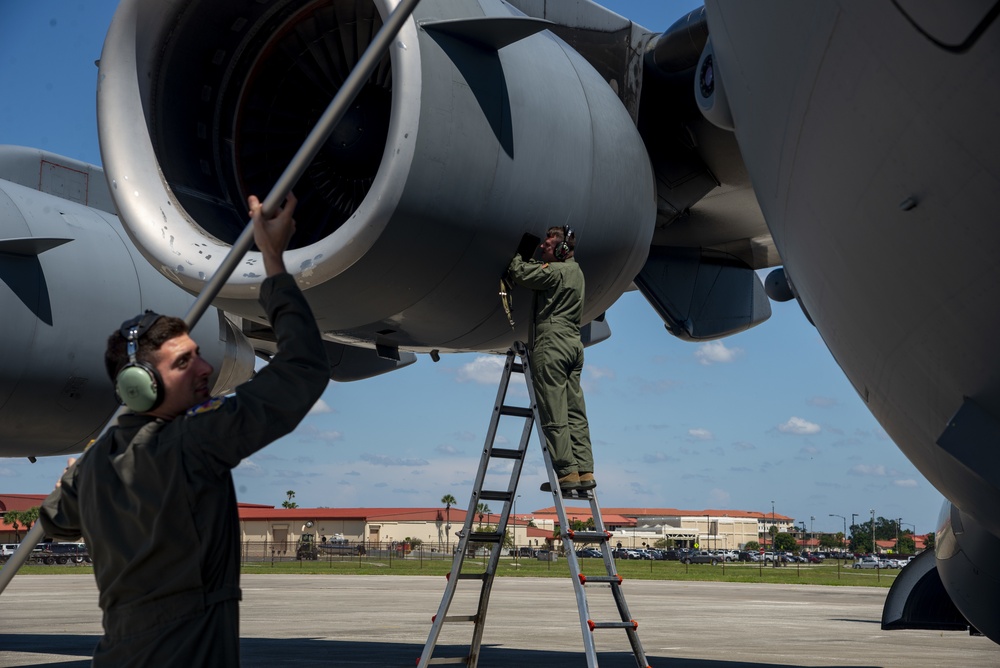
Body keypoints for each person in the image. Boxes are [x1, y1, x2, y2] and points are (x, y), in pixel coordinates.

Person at [38, 192, 330, 665]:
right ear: (140, 385)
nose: (205, 368)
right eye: (183, 362)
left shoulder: (93, 466)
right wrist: (273, 262)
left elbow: (56, 519)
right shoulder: (192, 443)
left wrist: (72, 482)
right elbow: (304, 369)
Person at [507, 226, 594, 492]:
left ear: (562, 250)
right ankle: (585, 471)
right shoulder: (576, 272)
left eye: (548, 244)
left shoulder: (555, 272)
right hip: (573, 344)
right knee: (574, 411)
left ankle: (566, 474)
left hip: (552, 343)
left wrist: (519, 254)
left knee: (552, 408)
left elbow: (519, 273)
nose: (542, 247)